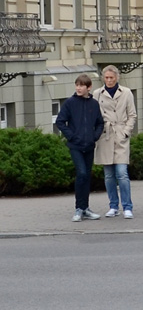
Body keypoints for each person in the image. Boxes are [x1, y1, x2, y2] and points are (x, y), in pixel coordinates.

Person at [54, 74, 104, 222]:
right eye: (77, 85)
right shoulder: (70, 103)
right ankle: (78, 208)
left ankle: (85, 208)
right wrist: (72, 136)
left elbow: (100, 122)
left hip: (89, 145)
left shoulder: (94, 104)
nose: (78, 88)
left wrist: (94, 136)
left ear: (89, 88)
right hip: (75, 145)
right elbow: (60, 121)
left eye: (82, 86)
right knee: (81, 173)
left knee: (87, 176)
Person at [94, 65, 137, 219]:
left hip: (120, 134)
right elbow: (95, 116)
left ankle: (127, 206)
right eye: (107, 77)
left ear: (117, 77)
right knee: (109, 175)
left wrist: (126, 131)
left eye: (112, 77)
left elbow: (132, 114)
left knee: (122, 173)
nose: (109, 80)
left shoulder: (126, 92)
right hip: (105, 136)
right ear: (103, 78)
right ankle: (113, 206)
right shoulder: (97, 94)